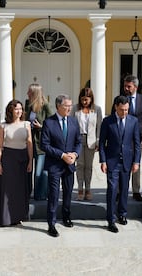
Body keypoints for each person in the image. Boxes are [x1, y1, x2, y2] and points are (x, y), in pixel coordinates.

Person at [41, 94, 81, 237]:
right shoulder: (48, 122)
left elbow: (78, 142)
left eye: (70, 106)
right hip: (54, 165)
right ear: (58, 106)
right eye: (66, 106)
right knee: (53, 194)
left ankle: (66, 216)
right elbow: (44, 145)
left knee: (68, 192)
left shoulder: (73, 122)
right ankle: (51, 223)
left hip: (69, 164)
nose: (69, 108)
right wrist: (62, 155)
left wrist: (75, 155)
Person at [99, 95, 141, 233]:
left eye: (127, 110)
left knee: (124, 189)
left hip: (127, 161)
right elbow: (102, 143)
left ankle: (122, 214)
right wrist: (103, 161)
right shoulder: (107, 121)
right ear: (116, 107)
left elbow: (137, 143)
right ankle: (110, 219)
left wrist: (136, 161)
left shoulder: (133, 121)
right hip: (112, 161)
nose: (124, 112)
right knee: (112, 189)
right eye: (122, 109)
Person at [0, 100, 33, 226]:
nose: (19, 111)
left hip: (22, 159)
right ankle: (6, 218)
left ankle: (19, 216)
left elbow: (29, 144)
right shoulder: (3, 126)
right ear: (10, 110)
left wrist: (30, 161)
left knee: (20, 189)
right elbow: (0, 146)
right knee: (8, 189)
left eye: (21, 109)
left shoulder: (26, 124)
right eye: (16, 109)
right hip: (8, 159)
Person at [120, 75, 142, 202]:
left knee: (136, 163)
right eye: (125, 86)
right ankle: (120, 191)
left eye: (129, 86)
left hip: (137, 137)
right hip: (123, 136)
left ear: (135, 87)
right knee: (121, 163)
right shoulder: (120, 99)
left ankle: (136, 191)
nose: (126, 88)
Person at [70, 87, 102, 201]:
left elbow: (99, 126)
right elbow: (71, 124)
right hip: (78, 140)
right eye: (83, 99)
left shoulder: (97, 109)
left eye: (87, 99)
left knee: (88, 166)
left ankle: (88, 189)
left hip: (91, 140)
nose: (85, 102)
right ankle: (80, 189)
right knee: (80, 165)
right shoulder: (75, 109)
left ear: (91, 99)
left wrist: (98, 141)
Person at [25, 83, 52, 200]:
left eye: (29, 92)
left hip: (41, 143)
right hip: (30, 142)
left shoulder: (45, 105)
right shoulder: (28, 104)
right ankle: (29, 193)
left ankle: (41, 194)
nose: (27, 93)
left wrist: (40, 126)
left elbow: (51, 124)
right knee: (28, 170)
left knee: (40, 172)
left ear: (35, 93)